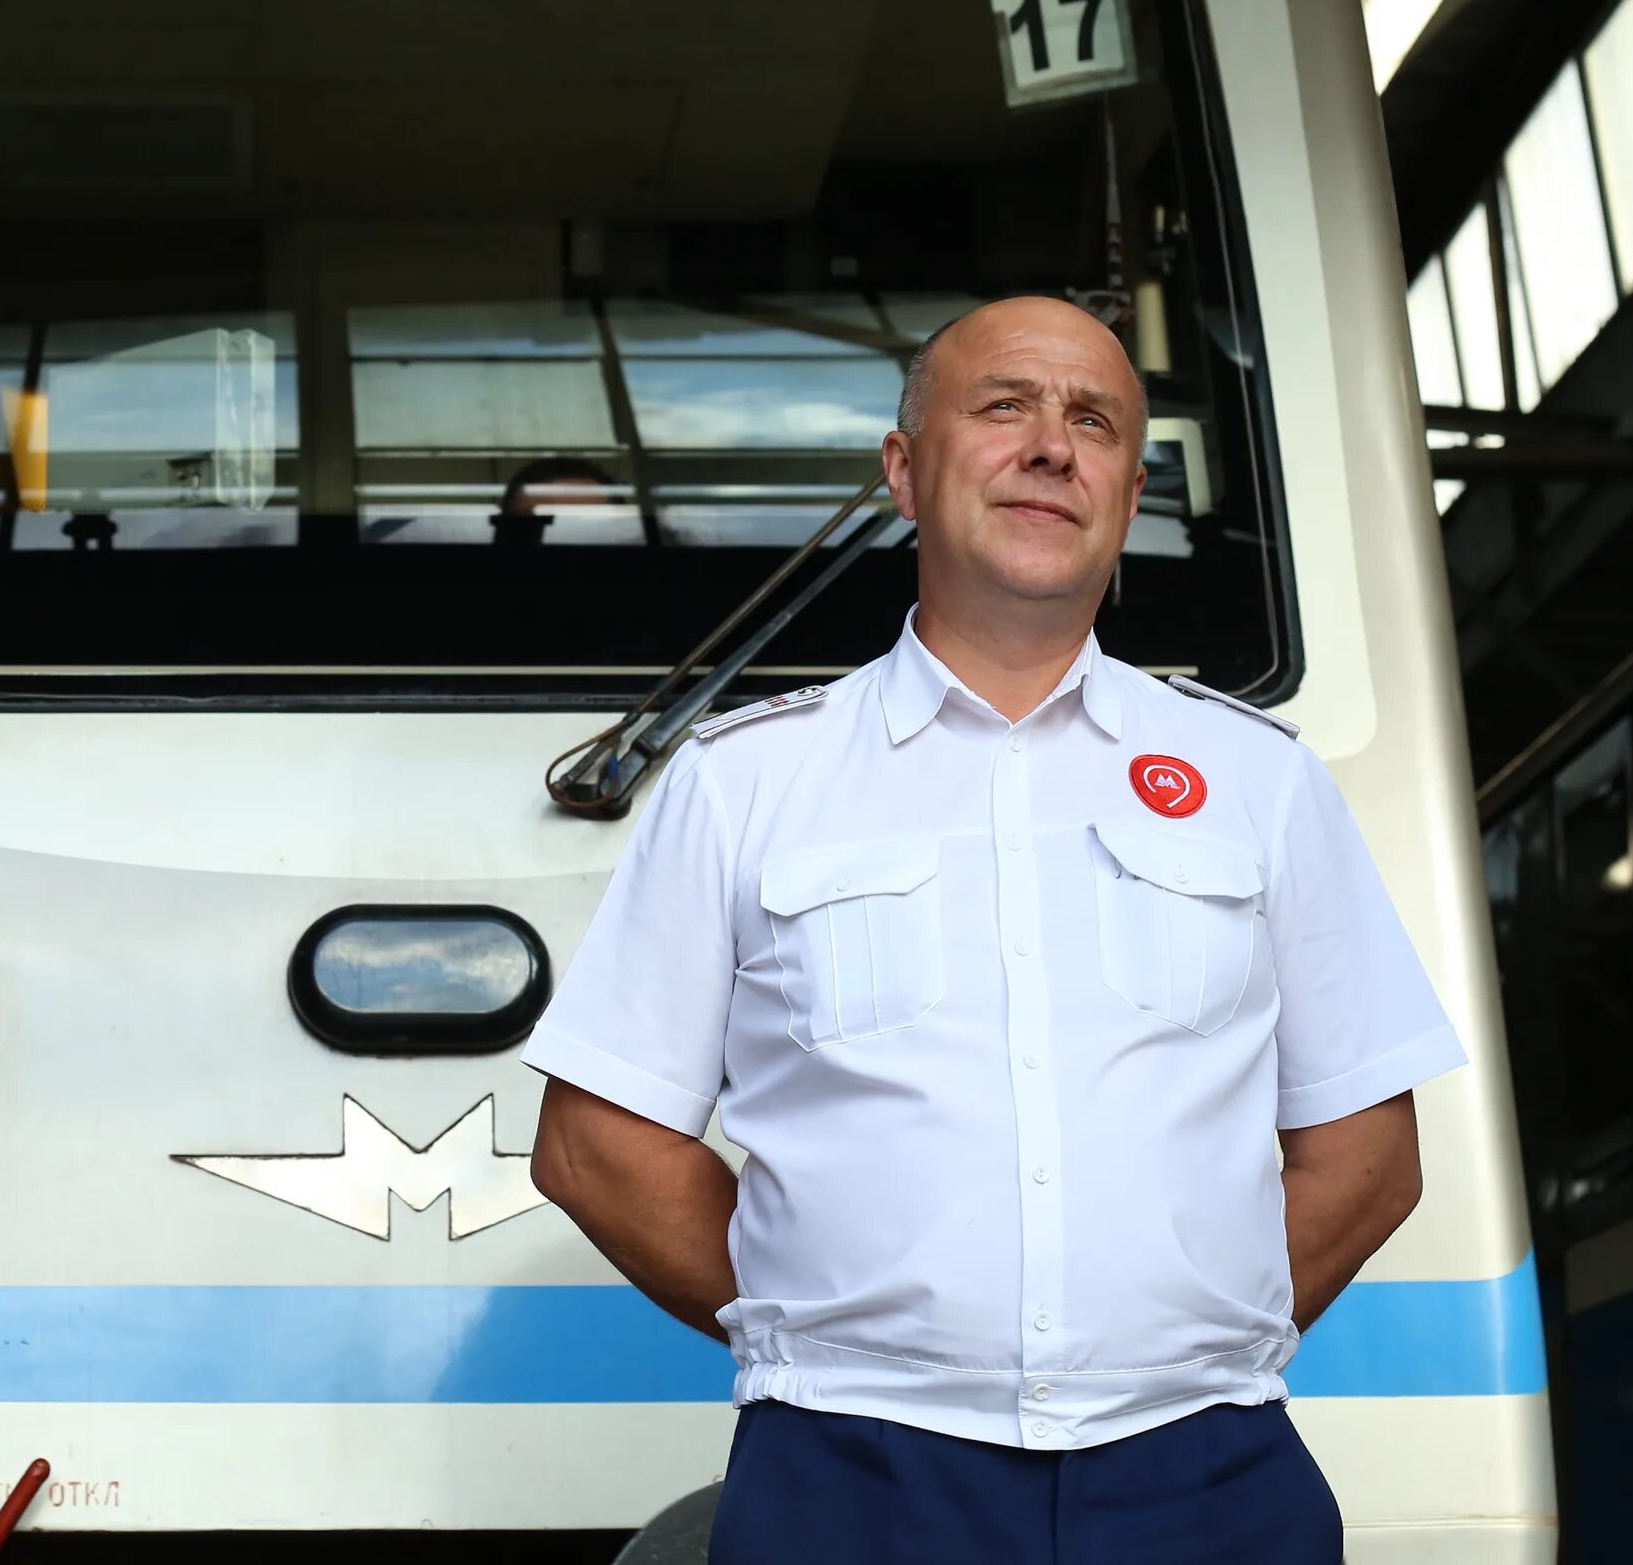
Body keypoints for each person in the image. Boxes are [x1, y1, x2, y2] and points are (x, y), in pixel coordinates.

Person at [522, 296, 1462, 1564]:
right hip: (851, 1475)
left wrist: (1157, 1339)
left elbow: (1368, 1157)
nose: (1052, 446)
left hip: (1203, 1473)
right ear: (904, 470)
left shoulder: (1261, 781)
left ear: (1129, 496)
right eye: (1004, 404)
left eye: (1094, 421)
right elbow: (597, 1144)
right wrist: (827, 1331)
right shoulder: (743, 780)